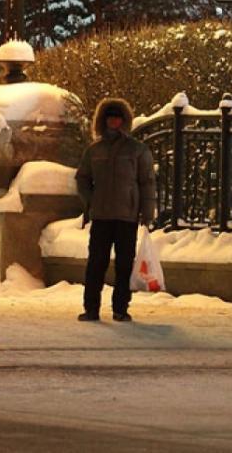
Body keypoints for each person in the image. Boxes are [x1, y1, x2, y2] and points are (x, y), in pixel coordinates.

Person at [75, 97, 156, 323]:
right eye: (110, 118)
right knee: (96, 264)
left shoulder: (137, 150)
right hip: (101, 216)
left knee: (124, 264)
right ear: (104, 120)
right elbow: (82, 178)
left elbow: (147, 181)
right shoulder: (94, 151)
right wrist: (90, 201)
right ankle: (91, 308)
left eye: (118, 118)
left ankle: (121, 308)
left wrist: (147, 211)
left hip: (126, 216)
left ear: (124, 121)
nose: (114, 122)